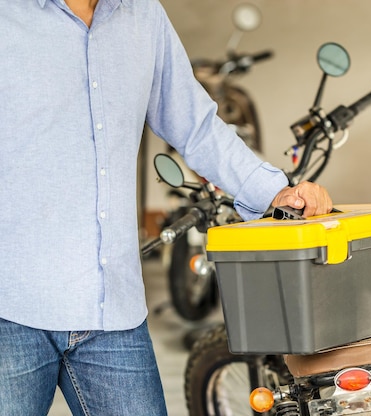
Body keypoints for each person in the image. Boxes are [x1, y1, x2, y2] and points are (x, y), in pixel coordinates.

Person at [0, 1, 333, 415]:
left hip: (111, 309)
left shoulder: (142, 16)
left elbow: (195, 125)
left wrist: (275, 192)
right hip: (11, 308)